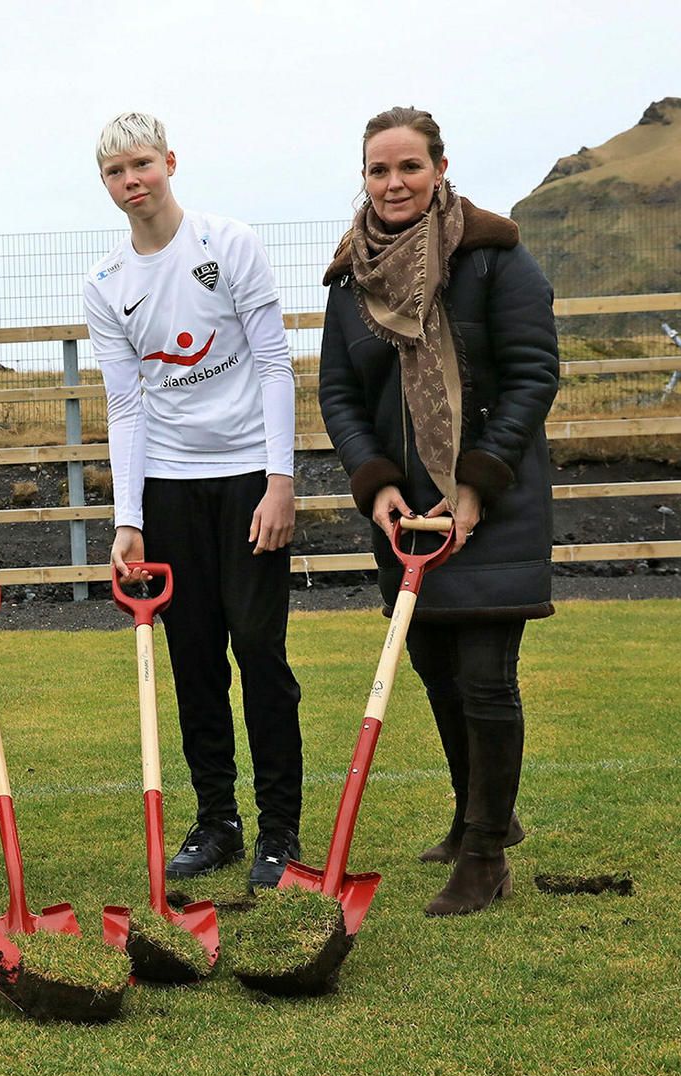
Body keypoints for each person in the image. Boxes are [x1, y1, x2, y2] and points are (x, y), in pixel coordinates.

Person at [317, 107, 559, 916]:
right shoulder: (351, 279)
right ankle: (475, 814)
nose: (394, 183)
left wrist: (475, 484)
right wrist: (376, 483)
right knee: (437, 673)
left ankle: (486, 854)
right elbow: (340, 395)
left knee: (487, 677)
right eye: (379, 170)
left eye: (409, 167)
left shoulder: (495, 260)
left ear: (440, 167)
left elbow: (533, 375)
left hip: (493, 499)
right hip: (407, 515)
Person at [83, 112, 303, 890]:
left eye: (140, 163)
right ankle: (218, 822)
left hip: (248, 476)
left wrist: (281, 480)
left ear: (170, 161)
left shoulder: (227, 242)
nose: (131, 181)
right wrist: (129, 518)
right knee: (195, 659)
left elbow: (275, 364)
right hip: (169, 489)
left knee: (258, 649)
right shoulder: (107, 283)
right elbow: (126, 407)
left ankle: (281, 831)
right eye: (114, 171)